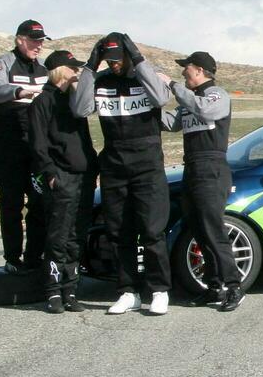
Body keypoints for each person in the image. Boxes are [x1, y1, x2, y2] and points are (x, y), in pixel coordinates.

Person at [71, 32, 173, 315]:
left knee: (152, 231)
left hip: (148, 165)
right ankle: (128, 291)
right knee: (118, 232)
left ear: (128, 56)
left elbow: (162, 98)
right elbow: (80, 109)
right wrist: (90, 67)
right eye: (109, 60)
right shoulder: (100, 81)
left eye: (118, 59)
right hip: (114, 165)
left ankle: (159, 290)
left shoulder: (145, 77)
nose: (114, 65)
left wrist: (139, 60)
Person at [161, 50, 242, 312]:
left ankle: (234, 286)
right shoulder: (188, 101)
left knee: (213, 230)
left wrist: (172, 86)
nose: (183, 72)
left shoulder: (217, 95)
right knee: (198, 230)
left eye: (187, 68)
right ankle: (214, 286)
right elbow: (171, 123)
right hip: (192, 169)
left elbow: (204, 110)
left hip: (212, 168)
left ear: (200, 71)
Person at [27, 50, 98, 314]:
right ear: (59, 70)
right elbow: (37, 144)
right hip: (61, 178)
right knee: (58, 236)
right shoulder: (42, 103)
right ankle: (52, 292)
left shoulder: (73, 101)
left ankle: (70, 290)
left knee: (76, 236)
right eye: (72, 68)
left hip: (84, 177)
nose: (76, 72)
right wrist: (50, 174)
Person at [0, 20, 51, 274]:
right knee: (11, 203)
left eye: (42, 40)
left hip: (35, 147)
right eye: (34, 40)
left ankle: (35, 257)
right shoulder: (4, 62)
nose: (39, 45)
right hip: (8, 146)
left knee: (40, 202)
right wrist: (20, 91)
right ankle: (13, 258)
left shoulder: (44, 68)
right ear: (20, 40)